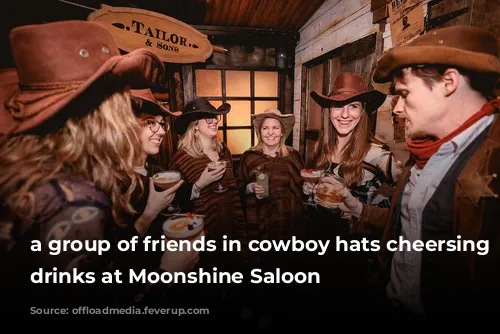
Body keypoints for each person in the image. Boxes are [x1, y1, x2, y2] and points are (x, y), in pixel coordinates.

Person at [0, 21, 199, 325]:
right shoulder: (74, 200)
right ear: (108, 110)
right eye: (123, 99)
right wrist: (167, 275)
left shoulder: (33, 172)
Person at [364, 25, 500, 326]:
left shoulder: (493, 160)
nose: (397, 108)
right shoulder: (424, 155)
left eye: (403, 94)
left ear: (448, 83)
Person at [304, 72, 401, 314]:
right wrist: (309, 190)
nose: (344, 114)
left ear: (363, 111)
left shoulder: (378, 154)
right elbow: (315, 194)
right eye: (338, 106)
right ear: (329, 111)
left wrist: (358, 209)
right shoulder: (321, 148)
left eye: (353, 106)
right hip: (316, 240)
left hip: (352, 250)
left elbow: (403, 209)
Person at [168, 97, 246, 322]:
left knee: (234, 286)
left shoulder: (224, 151)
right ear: (194, 126)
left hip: (231, 227)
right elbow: (174, 204)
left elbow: (233, 189)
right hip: (204, 235)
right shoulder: (182, 159)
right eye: (207, 118)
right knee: (209, 293)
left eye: (215, 117)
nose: (214, 121)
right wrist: (199, 184)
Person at [238, 108, 305, 327]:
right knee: (259, 268)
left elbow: (301, 188)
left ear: (282, 131)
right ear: (259, 132)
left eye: (275, 128)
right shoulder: (249, 157)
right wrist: (249, 187)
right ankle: (256, 305)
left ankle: (276, 310)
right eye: (265, 128)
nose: (270, 132)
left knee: (282, 268)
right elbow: (237, 188)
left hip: (287, 223)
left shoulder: (294, 156)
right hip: (259, 223)